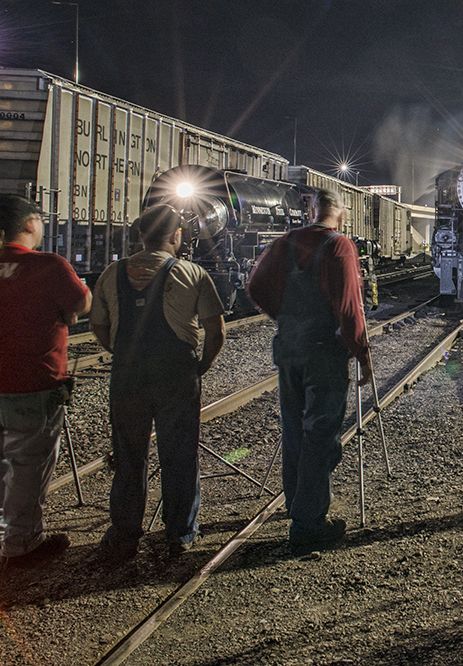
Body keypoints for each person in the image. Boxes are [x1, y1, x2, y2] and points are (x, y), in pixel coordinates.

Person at [91, 203, 226, 559]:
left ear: (140, 235)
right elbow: (216, 331)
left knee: (128, 454)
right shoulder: (192, 273)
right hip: (176, 375)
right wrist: (201, 367)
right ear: (177, 236)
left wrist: (123, 353)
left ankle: (124, 535)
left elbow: (98, 326)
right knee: (179, 453)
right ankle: (179, 533)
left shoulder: (111, 273)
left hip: (127, 376)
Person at [248, 188, 372, 555]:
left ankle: (296, 504)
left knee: (294, 428)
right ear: (342, 212)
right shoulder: (340, 246)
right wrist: (361, 353)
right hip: (323, 354)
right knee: (321, 433)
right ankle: (308, 523)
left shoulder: (283, 243)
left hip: (289, 349)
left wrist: (286, 319)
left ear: (312, 210)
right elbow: (350, 308)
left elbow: (255, 287)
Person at [0, 195, 90, 565]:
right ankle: (22, 544)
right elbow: (82, 303)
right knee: (27, 465)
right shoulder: (49, 266)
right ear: (30, 224)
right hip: (33, 383)